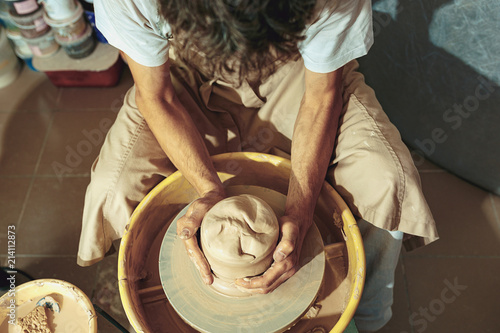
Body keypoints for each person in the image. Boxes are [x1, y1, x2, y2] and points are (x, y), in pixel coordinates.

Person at [77, 0, 438, 331]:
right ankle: (151, 291)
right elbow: (156, 96)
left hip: (297, 68)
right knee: (114, 188)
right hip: (182, 74)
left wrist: (301, 210)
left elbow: (321, 96)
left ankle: (364, 314)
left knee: (387, 180)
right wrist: (209, 189)